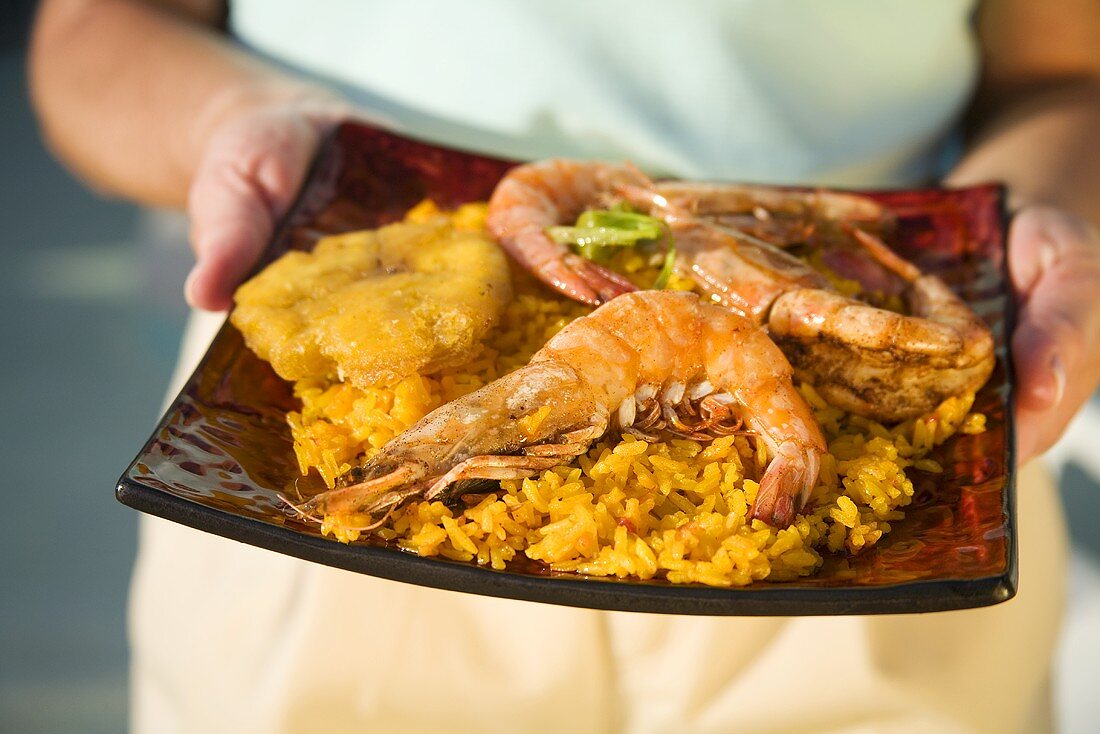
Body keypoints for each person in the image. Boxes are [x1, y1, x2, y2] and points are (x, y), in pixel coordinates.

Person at [30, 1, 1100, 731]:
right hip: (320, 477)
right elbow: (93, 27)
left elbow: (1061, 69)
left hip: (878, 527)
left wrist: (1034, 213)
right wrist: (232, 123)